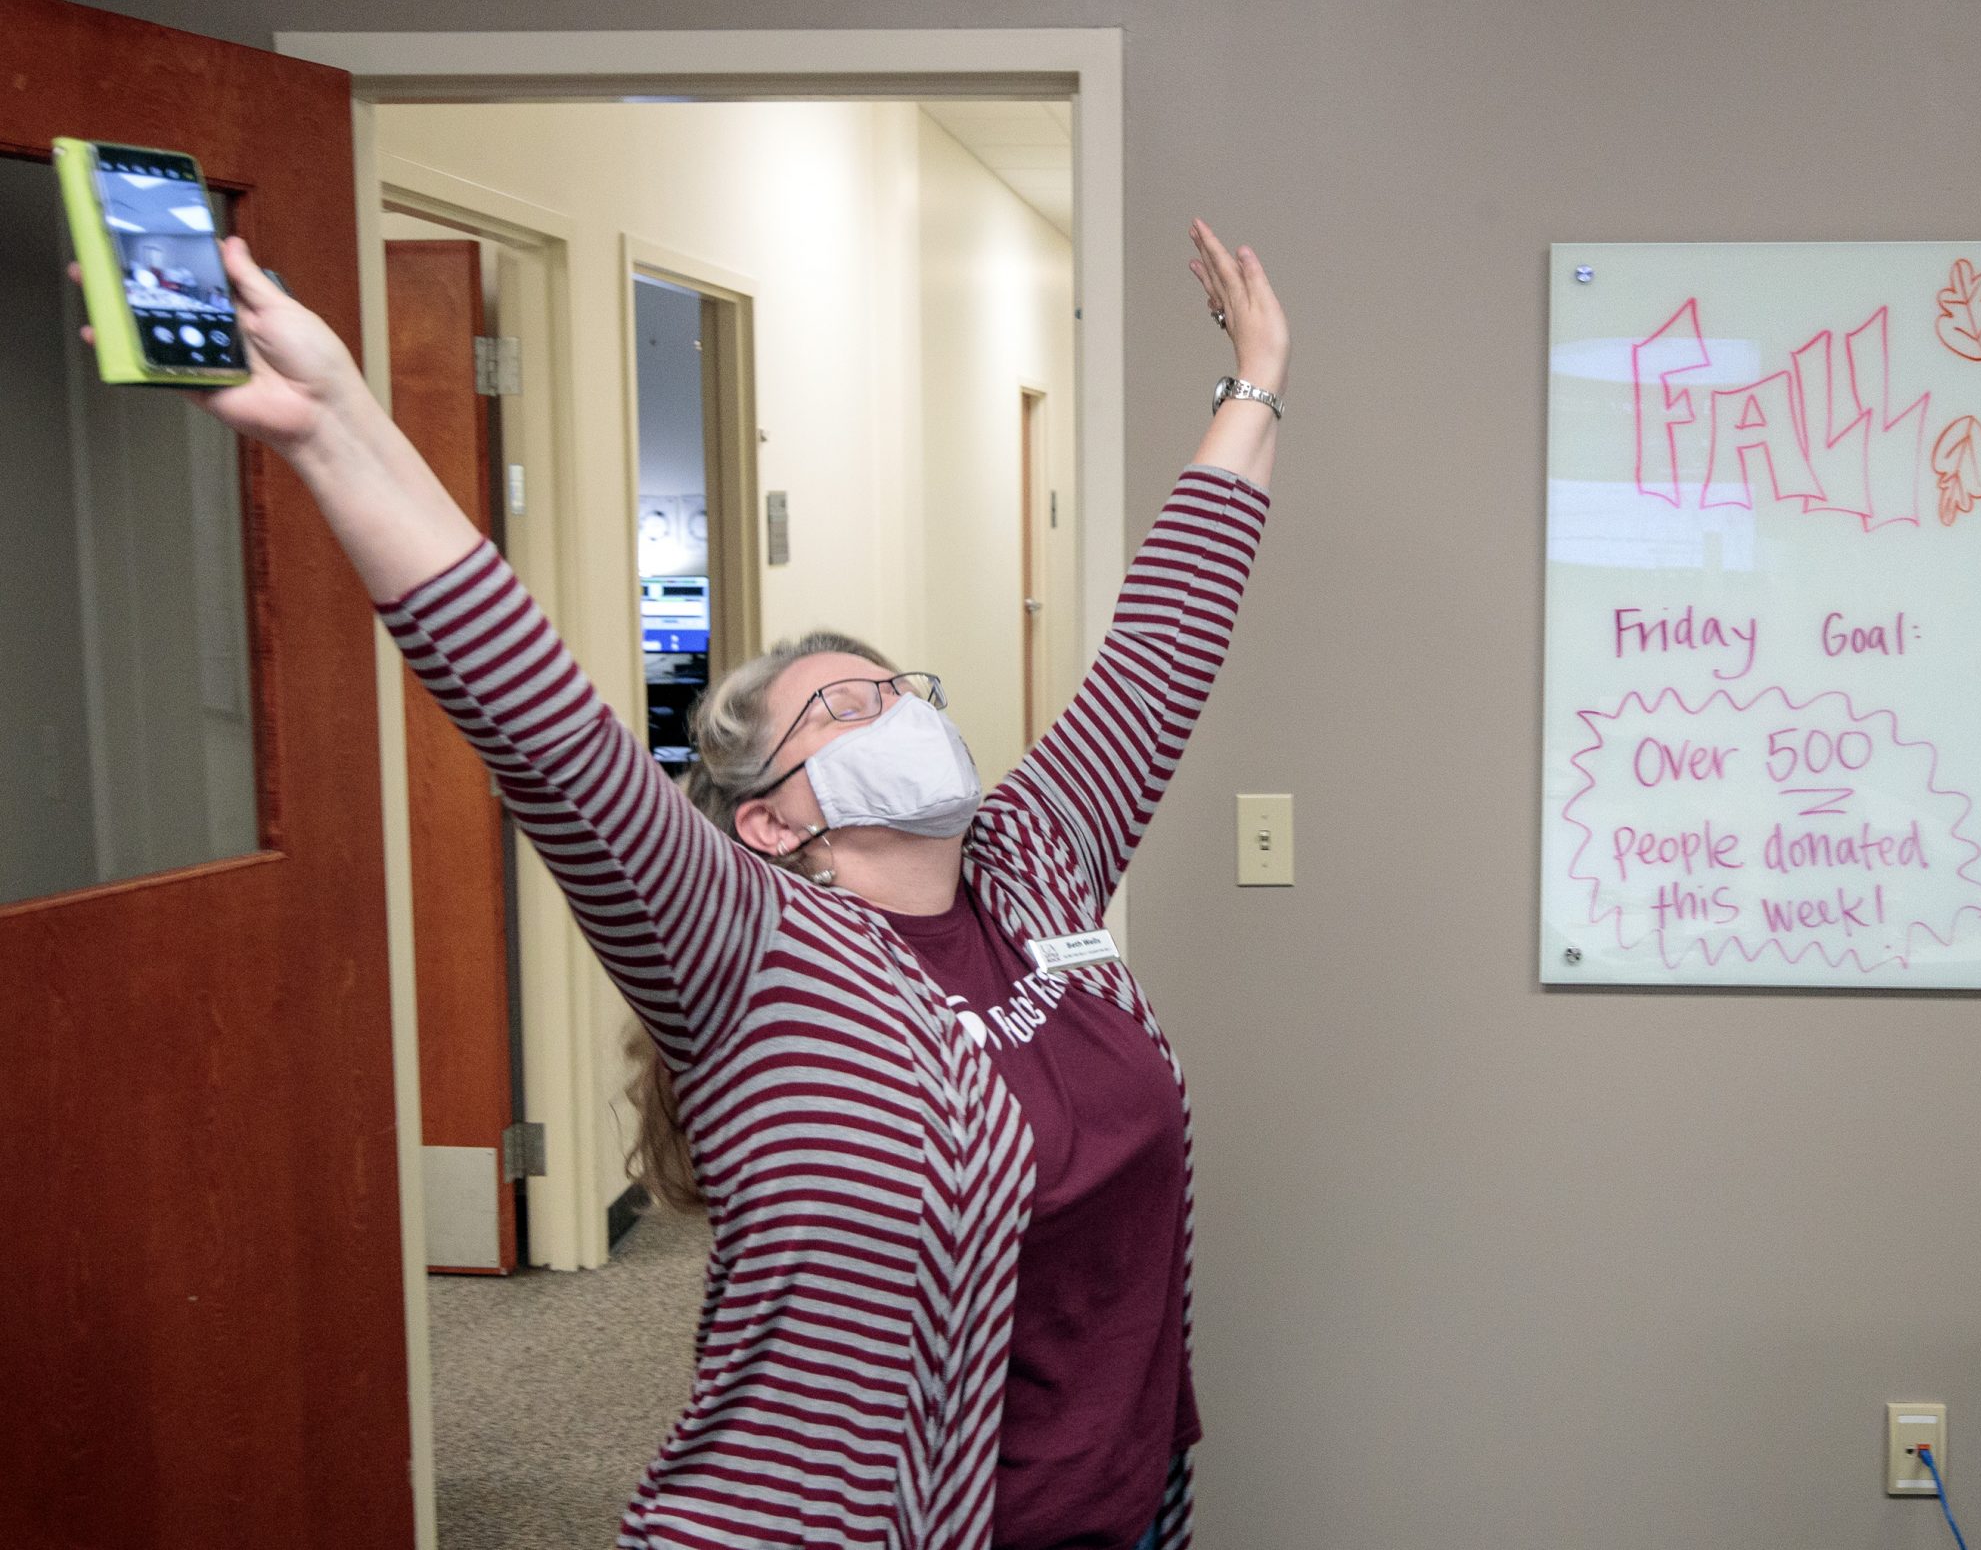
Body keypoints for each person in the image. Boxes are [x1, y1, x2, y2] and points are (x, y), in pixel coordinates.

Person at [78, 219, 1286, 1550]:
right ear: (764, 820)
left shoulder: (1035, 862)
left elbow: (1164, 642)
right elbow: (533, 714)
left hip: (1124, 1496)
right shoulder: (738, 940)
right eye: (842, 709)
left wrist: (1257, 380)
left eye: (898, 689)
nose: (895, 712)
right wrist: (334, 422)